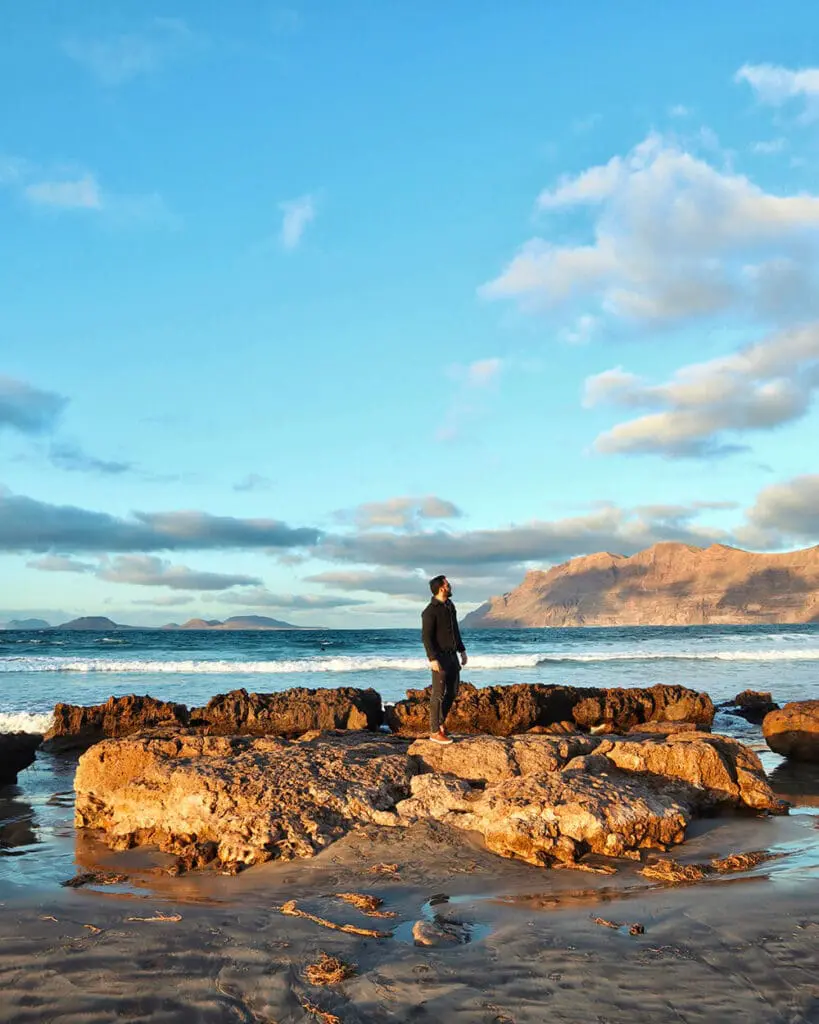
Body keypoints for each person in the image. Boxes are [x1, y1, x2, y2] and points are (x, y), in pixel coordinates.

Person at [421, 574, 468, 744]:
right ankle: (434, 731)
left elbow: (455, 630)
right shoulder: (429, 612)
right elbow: (426, 637)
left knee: (453, 692)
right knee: (438, 694)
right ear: (442, 589)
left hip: (452, 656)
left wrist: (462, 650)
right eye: (448, 585)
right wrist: (432, 658)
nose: (450, 586)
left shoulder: (450, 605)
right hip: (439, 658)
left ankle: (440, 723)